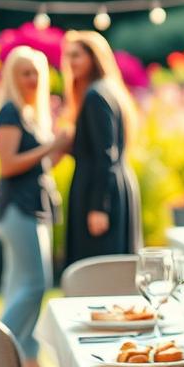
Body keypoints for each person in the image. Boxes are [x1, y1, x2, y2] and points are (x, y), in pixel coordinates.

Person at [0, 47, 69, 367]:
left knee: (18, 286)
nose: (33, 79)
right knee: (36, 284)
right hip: (18, 208)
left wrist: (59, 148)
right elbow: (8, 165)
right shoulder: (10, 112)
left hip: (32, 206)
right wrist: (51, 145)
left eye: (37, 72)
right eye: (25, 72)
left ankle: (29, 360)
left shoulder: (28, 114)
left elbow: (41, 164)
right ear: (12, 76)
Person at [62, 30, 142, 266]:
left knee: (98, 272)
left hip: (99, 193)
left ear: (94, 57)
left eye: (76, 55)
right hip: (114, 185)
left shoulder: (96, 95)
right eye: (68, 56)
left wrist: (99, 206)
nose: (70, 62)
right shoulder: (108, 90)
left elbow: (106, 154)